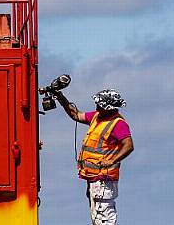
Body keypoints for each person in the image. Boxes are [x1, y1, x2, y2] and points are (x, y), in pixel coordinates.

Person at [53, 88, 134, 225]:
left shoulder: (118, 124)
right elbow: (76, 115)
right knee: (97, 217)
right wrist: (61, 98)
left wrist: (112, 160)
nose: (96, 107)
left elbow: (128, 145)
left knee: (104, 217)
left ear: (108, 108)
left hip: (104, 178)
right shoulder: (97, 117)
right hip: (93, 177)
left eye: (100, 105)